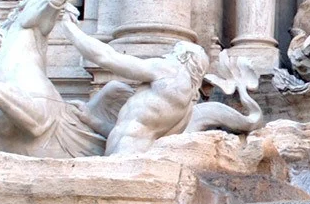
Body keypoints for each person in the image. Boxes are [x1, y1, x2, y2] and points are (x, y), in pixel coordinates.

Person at [58, 15, 212, 157]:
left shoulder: (171, 70)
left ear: (184, 57)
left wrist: (68, 27)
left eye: (173, 52)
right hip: (127, 157)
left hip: (124, 158)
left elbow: (106, 57)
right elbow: (131, 131)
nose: (167, 55)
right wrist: (91, 120)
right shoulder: (185, 108)